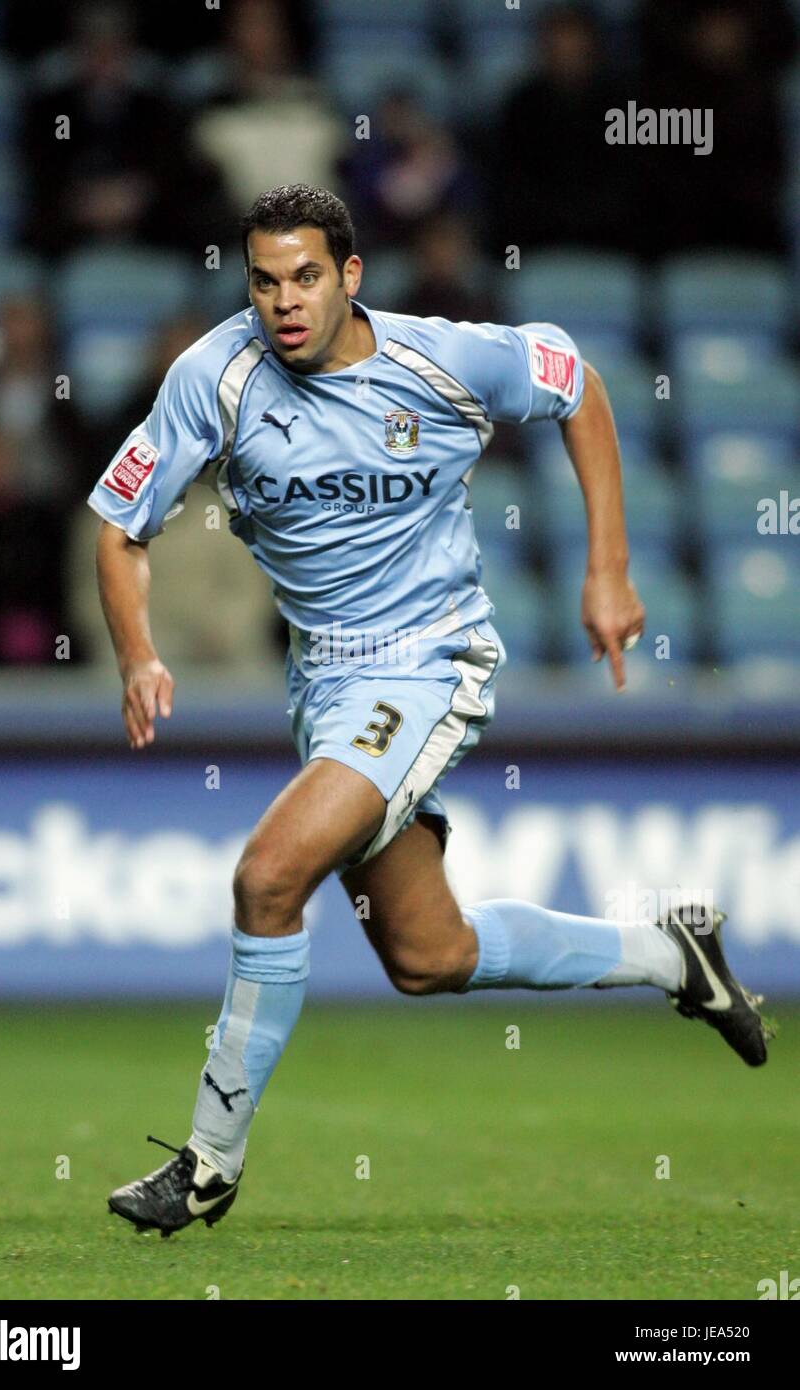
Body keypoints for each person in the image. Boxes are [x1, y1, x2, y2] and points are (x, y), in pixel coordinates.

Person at [88, 184, 773, 1238]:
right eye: (265, 280)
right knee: (428, 956)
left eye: (306, 276)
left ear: (350, 276)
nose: (284, 302)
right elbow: (118, 525)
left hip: (429, 664)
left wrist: (608, 570)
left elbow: (578, 384)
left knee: (267, 877)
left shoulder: (442, 359)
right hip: (323, 682)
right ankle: (672, 953)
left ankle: (208, 1164)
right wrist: (138, 653)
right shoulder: (211, 378)